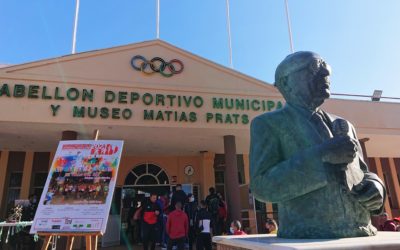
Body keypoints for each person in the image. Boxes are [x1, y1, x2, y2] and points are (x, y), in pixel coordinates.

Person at [250, 51, 386, 238]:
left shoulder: (345, 124)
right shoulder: (269, 124)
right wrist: (321, 156)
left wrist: (376, 186)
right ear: (285, 83)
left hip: (361, 233)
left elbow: (363, 171)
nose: (325, 74)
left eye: (327, 68)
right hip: (307, 234)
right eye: (314, 67)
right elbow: (261, 186)